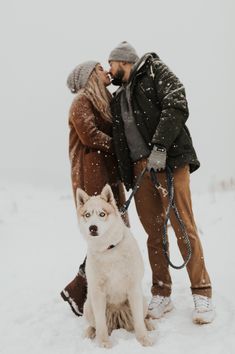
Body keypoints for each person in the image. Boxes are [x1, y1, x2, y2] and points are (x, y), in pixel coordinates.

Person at [108, 41, 215, 324]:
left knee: (183, 226)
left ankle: (202, 293)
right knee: (154, 234)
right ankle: (162, 292)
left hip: (168, 161)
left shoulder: (155, 71)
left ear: (124, 62)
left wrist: (160, 146)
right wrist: (126, 175)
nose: (110, 71)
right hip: (139, 170)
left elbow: (177, 103)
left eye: (112, 65)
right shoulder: (117, 98)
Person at [61, 60, 129, 316]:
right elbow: (90, 135)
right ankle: (82, 289)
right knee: (104, 236)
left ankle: (84, 290)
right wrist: (120, 146)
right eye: (99, 68)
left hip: (107, 176)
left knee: (116, 233)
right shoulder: (81, 102)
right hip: (91, 177)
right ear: (90, 76)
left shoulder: (104, 101)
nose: (105, 71)